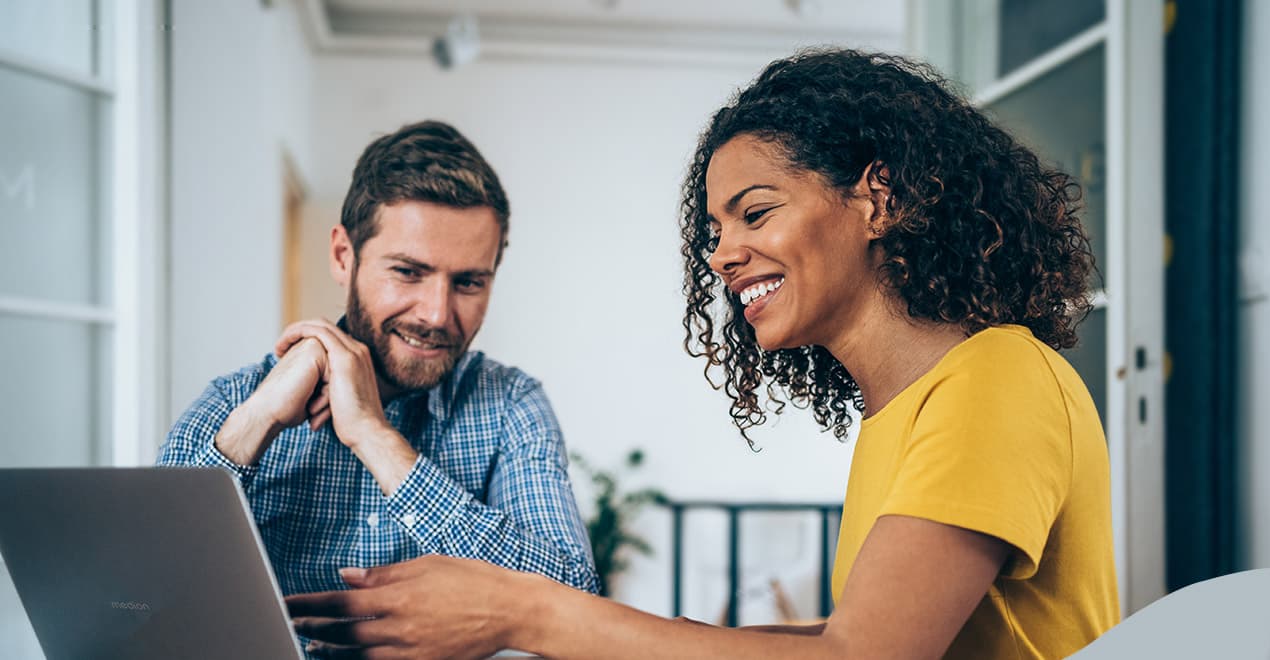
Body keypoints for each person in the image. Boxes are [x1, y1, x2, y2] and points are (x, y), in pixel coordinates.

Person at [288, 49, 1117, 660]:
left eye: (755, 213)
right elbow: (849, 635)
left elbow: (860, 658)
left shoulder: (995, 379)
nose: (721, 255)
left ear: (877, 197)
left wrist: (525, 611)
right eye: (715, 230)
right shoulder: (902, 413)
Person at [158, 120, 600, 605]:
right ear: (343, 257)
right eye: (408, 272)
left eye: (469, 282)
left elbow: (573, 601)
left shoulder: (512, 404)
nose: (436, 314)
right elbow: (143, 591)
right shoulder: (236, 401)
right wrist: (254, 425)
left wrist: (374, 436)